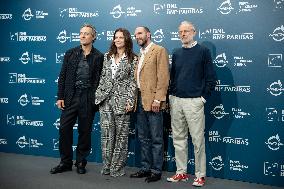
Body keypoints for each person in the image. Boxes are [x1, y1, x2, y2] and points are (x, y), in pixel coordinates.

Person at [166, 21, 217, 187]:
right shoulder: (176, 52)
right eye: (180, 31)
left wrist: (202, 99)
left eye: (186, 31)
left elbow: (211, 78)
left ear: (194, 32)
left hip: (194, 102)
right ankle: (181, 172)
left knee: (197, 140)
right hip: (176, 101)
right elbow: (172, 78)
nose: (183, 34)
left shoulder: (203, 51)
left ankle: (200, 175)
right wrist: (171, 97)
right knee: (179, 139)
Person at [50, 23, 104, 174]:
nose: (82, 36)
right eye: (81, 33)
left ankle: (81, 162)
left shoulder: (99, 56)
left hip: (88, 97)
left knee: (85, 131)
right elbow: (63, 76)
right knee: (64, 129)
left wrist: (95, 98)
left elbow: (99, 79)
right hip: (70, 97)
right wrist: (60, 96)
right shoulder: (70, 53)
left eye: (86, 33)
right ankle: (65, 162)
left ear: (93, 37)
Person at [95, 28, 137, 177]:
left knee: (121, 137)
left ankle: (117, 168)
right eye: (116, 37)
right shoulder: (107, 56)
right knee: (106, 136)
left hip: (122, 102)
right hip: (105, 100)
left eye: (121, 37)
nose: (118, 40)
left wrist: (130, 101)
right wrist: (99, 95)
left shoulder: (133, 58)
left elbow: (133, 82)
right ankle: (106, 166)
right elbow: (102, 77)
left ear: (126, 40)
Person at [129, 26, 169, 182]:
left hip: (154, 101)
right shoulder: (140, 54)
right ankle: (145, 168)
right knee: (144, 137)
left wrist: (158, 99)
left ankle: (156, 170)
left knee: (156, 138)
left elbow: (164, 77)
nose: (137, 36)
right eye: (135, 35)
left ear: (148, 34)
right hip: (140, 100)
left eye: (139, 33)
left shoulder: (159, 50)